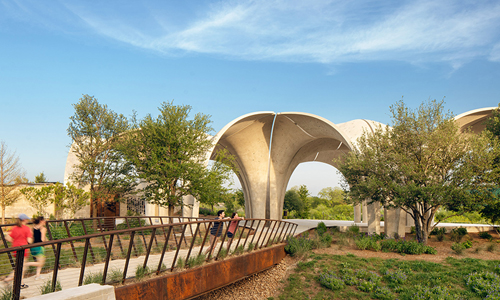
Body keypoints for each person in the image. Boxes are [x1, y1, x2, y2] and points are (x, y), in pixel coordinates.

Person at [3, 214, 36, 289]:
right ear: (24, 220)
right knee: (22, 268)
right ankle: (8, 279)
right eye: (26, 219)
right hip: (23, 250)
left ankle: (21, 283)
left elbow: (7, 237)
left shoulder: (14, 228)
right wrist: (32, 236)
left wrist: (14, 241)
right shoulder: (27, 229)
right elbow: (29, 241)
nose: (27, 221)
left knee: (20, 266)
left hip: (15, 249)